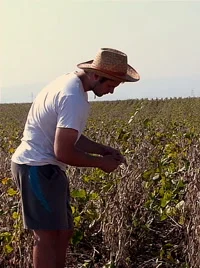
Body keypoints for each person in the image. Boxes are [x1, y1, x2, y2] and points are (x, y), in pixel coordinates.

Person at [10, 48, 140, 268]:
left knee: (63, 232)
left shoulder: (70, 85)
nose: (111, 92)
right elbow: (64, 151)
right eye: (110, 86)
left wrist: (102, 149)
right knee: (47, 236)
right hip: (36, 167)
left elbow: (70, 135)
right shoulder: (73, 97)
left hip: (46, 168)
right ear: (97, 76)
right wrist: (101, 163)